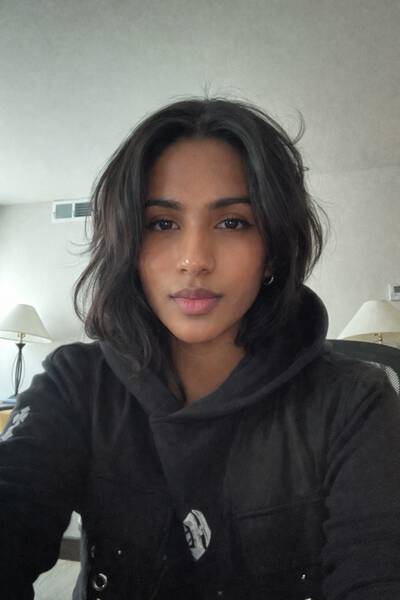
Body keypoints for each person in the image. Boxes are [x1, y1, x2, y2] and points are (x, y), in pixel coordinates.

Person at [1, 98, 400, 600]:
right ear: (128, 245)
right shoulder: (77, 384)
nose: (194, 260)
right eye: (162, 223)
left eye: (232, 222)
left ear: (273, 250)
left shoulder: (354, 403)